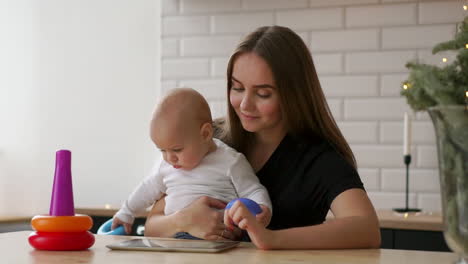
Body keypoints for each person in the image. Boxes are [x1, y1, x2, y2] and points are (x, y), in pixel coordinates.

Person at [144, 26, 381, 249]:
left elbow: (367, 229)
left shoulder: (318, 159)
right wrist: (181, 221)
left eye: (263, 93)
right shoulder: (207, 140)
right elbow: (151, 227)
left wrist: (272, 239)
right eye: (237, 88)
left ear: (293, 95)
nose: (245, 105)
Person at [112, 88, 272, 239]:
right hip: (176, 236)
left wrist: (262, 208)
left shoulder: (231, 161)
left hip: (224, 238)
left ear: (205, 134)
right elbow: (146, 189)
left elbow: (252, 190)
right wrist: (126, 213)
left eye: (177, 149)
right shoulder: (165, 165)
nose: (169, 158)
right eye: (162, 150)